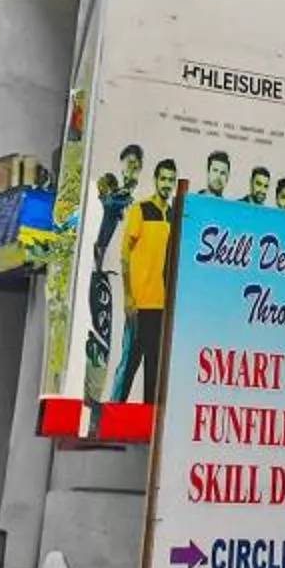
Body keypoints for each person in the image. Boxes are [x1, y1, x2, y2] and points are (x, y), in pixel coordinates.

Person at [113, 159, 179, 400]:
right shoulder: (140, 210)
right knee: (129, 363)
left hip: (162, 306)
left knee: (154, 368)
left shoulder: (174, 216)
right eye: (163, 179)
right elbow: (124, 256)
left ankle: (147, 424)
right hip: (139, 304)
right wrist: (128, 295)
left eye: (171, 180)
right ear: (155, 180)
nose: (167, 184)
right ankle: (113, 414)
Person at [84, 145, 143, 398]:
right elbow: (109, 206)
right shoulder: (115, 195)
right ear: (121, 163)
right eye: (129, 162)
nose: (132, 167)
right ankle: (103, 397)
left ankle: (111, 397)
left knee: (127, 338)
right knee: (112, 333)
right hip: (111, 272)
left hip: (130, 274)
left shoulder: (138, 198)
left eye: (136, 164)